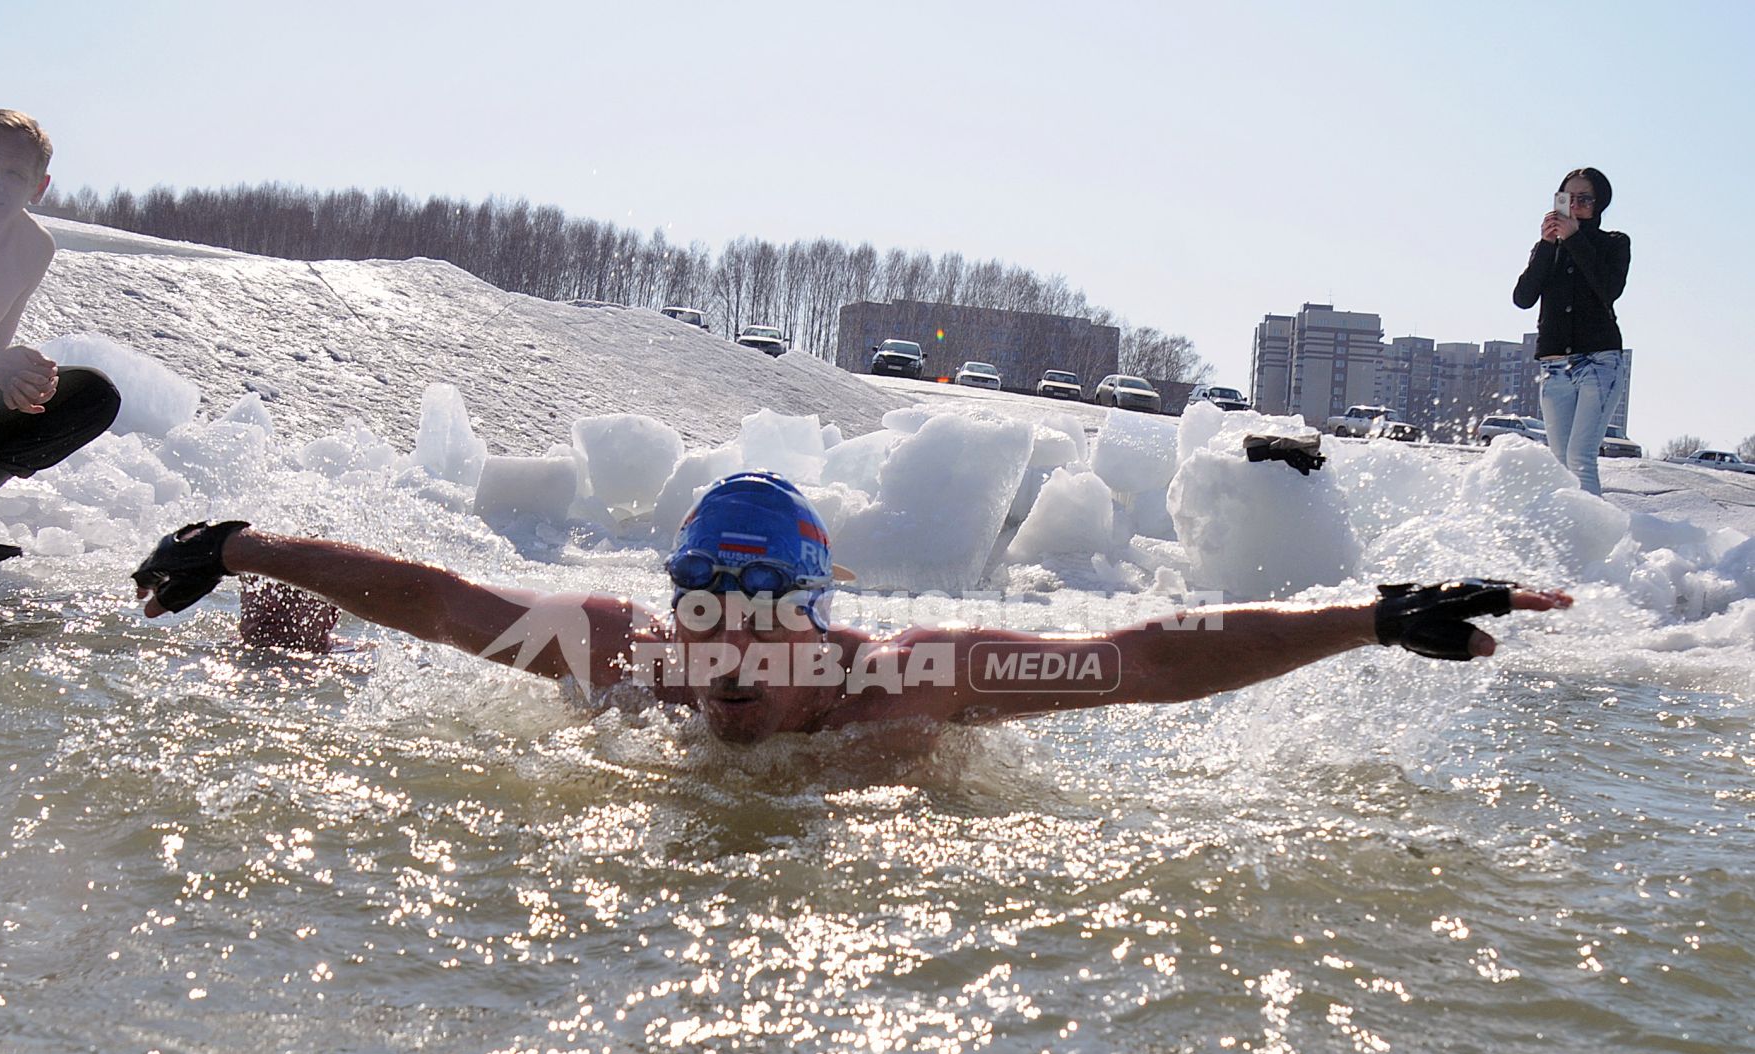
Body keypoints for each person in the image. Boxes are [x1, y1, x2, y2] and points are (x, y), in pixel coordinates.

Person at [133, 472, 1573, 746]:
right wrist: (245, 544)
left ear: (818, 629)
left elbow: (1136, 661)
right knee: (284, 630)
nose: (722, 682)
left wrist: (1364, 620)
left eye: (755, 641)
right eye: (702, 635)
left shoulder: (923, 681)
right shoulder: (622, 657)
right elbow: (441, 600)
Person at [0, 109, 121, 560]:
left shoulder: (33, 247)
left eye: (13, 174)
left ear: (39, 187)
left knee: (91, 395)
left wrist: (17, 379)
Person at [1512, 167, 1631, 496]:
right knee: (1560, 463)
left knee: (1580, 458)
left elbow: (1608, 289)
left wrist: (1576, 238)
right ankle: (1569, 537)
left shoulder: (1613, 243)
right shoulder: (1548, 249)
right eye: (1568, 198)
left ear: (1598, 205)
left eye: (1584, 199)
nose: (1575, 205)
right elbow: (1522, 298)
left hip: (1598, 362)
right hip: (1554, 368)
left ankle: (1589, 541)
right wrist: (1547, 244)